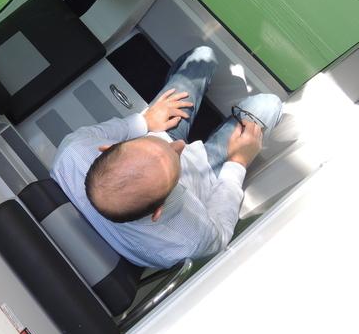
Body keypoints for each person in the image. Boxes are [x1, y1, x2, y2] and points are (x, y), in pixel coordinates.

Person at [51, 46, 283, 268]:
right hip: (204, 177)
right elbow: (221, 234)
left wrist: (145, 121)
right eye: (176, 160)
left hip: (158, 127)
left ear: (106, 148)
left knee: (203, 56)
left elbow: (128, 131)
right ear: (158, 211)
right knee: (269, 105)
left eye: (146, 144)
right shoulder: (190, 241)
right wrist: (238, 163)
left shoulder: (74, 151)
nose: (180, 144)